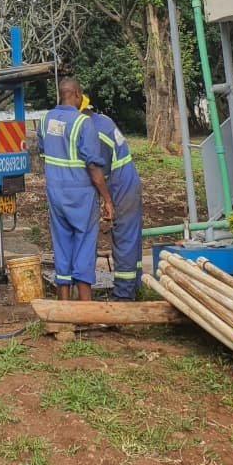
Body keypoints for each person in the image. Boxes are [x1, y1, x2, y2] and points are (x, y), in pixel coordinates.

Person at [37, 77, 114, 301]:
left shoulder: (45, 120)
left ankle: (63, 304)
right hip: (80, 194)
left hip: (55, 193)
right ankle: (85, 307)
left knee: (61, 242)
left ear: (61, 94)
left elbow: (44, 152)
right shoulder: (83, 123)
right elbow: (93, 166)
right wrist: (107, 198)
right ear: (78, 95)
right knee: (84, 243)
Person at [83, 102, 144, 300]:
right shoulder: (102, 121)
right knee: (131, 236)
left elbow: (97, 171)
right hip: (126, 179)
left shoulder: (94, 133)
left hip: (121, 185)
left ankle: (123, 296)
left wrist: (105, 199)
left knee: (124, 238)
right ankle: (135, 285)